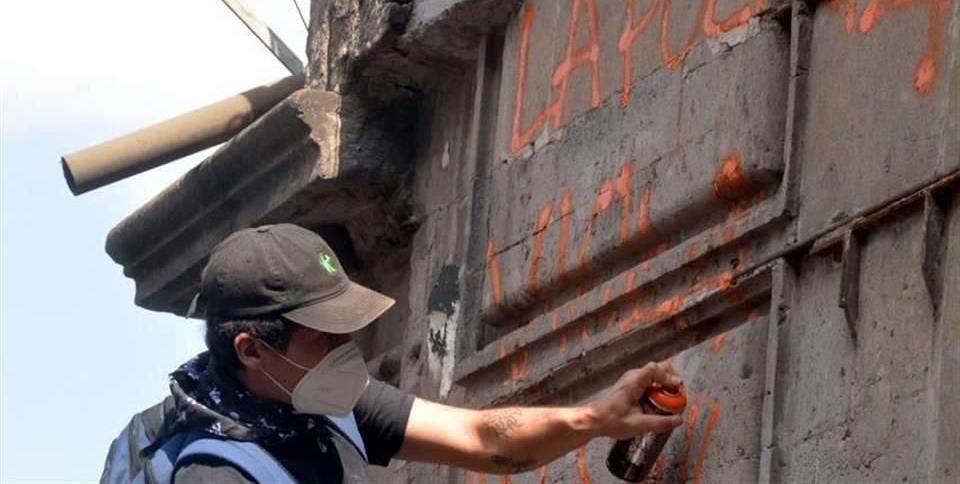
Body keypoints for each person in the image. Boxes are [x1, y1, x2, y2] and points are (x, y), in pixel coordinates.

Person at [103, 223, 684, 483]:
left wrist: (595, 418)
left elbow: (485, 440)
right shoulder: (213, 473)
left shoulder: (318, 397)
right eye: (324, 336)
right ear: (251, 350)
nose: (345, 351)